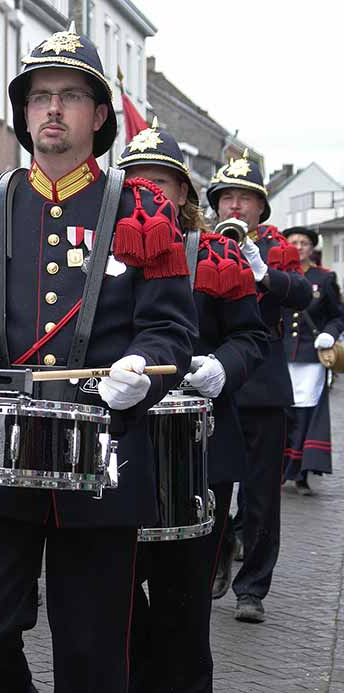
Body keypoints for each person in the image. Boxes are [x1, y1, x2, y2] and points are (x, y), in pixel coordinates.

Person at [0, 25, 197, 692]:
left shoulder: (142, 213)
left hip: (102, 464)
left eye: (70, 95)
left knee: (93, 660)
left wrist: (141, 371)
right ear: (23, 112)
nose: (52, 108)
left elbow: (170, 334)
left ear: (99, 115)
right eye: (40, 95)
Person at [116, 120, 269, 692]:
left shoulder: (218, 253)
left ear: (183, 193)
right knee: (117, 601)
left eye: (162, 182)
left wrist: (222, 368)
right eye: (137, 181)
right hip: (121, 443)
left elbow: (252, 337)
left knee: (184, 613)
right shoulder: (96, 249)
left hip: (199, 447)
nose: (149, 193)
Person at [206, 152, 312, 623]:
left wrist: (263, 271)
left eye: (244, 198)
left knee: (263, 496)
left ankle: (253, 589)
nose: (235, 206)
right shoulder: (204, 241)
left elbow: (303, 295)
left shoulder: (274, 246)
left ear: (260, 207)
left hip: (264, 385)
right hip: (217, 382)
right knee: (209, 488)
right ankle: (214, 556)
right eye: (227, 197)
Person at [281, 226, 343, 495]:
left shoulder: (325, 278)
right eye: (293, 242)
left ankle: (302, 472)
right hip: (281, 355)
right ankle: (281, 469)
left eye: (304, 242)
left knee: (307, 413)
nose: (299, 246)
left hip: (310, 356)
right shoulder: (279, 275)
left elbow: (338, 315)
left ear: (312, 247)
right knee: (283, 414)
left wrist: (329, 334)